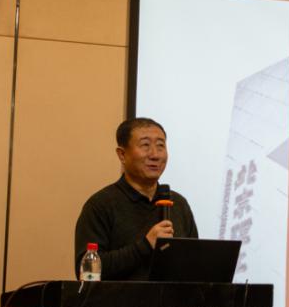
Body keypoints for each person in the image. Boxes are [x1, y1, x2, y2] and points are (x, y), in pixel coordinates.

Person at [74, 117, 198, 280]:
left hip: (171, 297)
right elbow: (86, 271)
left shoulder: (179, 204)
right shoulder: (101, 205)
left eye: (160, 145)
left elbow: (194, 265)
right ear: (122, 155)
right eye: (145, 145)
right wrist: (145, 246)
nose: (155, 154)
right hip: (119, 297)